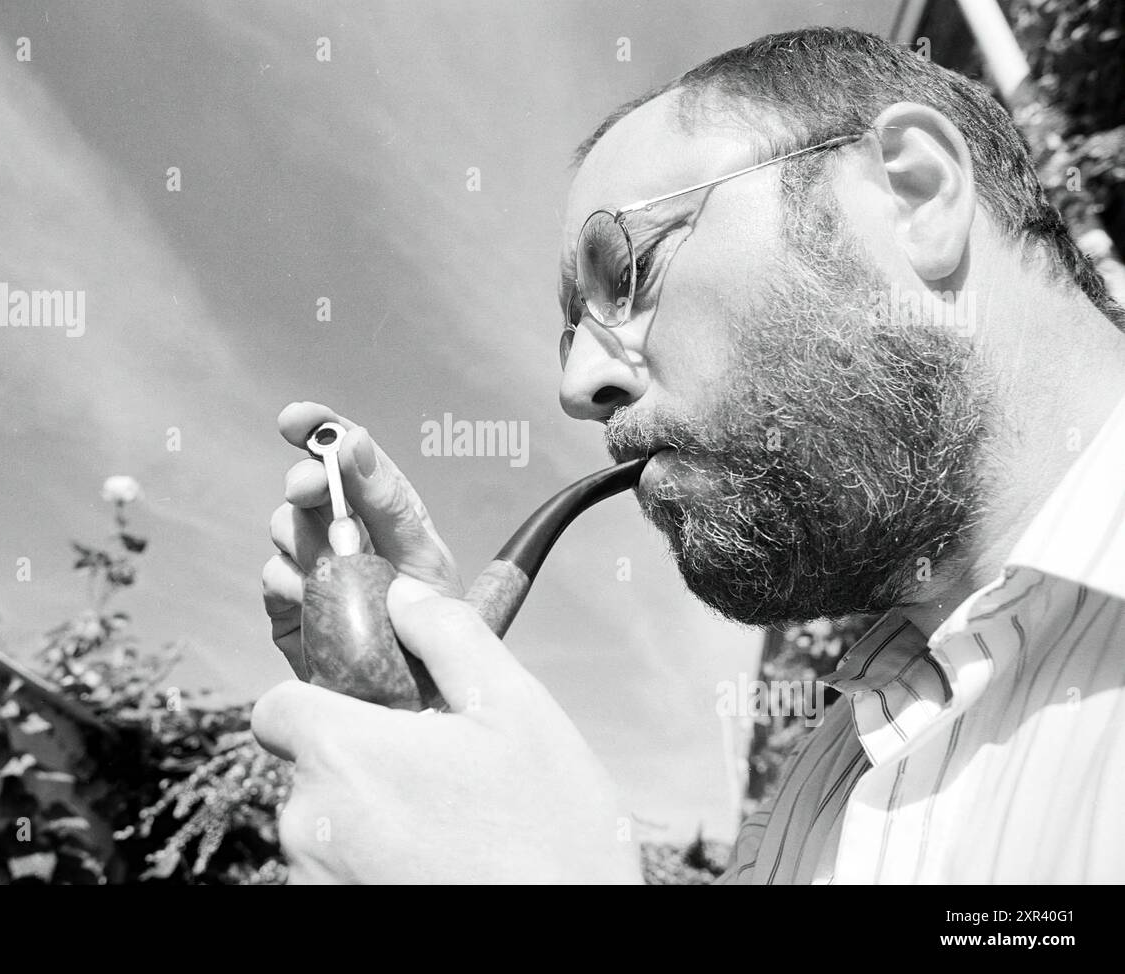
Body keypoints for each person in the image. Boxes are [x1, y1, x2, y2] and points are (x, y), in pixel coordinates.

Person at [252, 27, 1125, 883]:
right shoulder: (820, 795)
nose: (579, 386)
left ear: (915, 193)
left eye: (624, 272)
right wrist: (430, 711)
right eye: (570, 333)